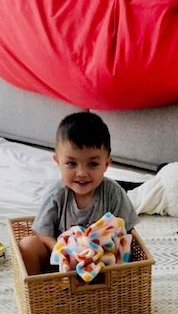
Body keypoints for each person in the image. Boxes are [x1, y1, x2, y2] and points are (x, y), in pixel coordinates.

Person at [19, 112, 138, 274]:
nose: (81, 173)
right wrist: (66, 254)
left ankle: (105, 288)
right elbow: (42, 233)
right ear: (58, 162)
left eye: (93, 164)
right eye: (71, 163)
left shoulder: (113, 193)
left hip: (101, 263)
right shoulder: (56, 194)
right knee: (27, 245)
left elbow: (125, 234)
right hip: (59, 260)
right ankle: (39, 288)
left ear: (106, 164)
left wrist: (103, 258)